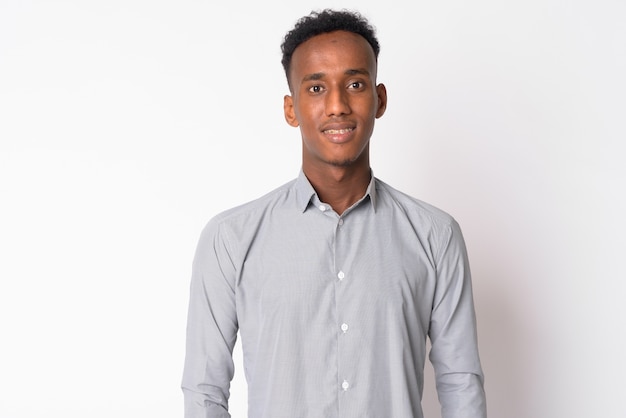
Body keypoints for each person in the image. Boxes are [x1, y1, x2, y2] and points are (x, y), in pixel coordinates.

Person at [182, 9, 486, 418]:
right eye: (316, 88)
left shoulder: (435, 235)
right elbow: (205, 392)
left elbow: (460, 382)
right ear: (291, 109)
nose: (338, 105)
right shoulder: (230, 239)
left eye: (355, 84)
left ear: (379, 100)